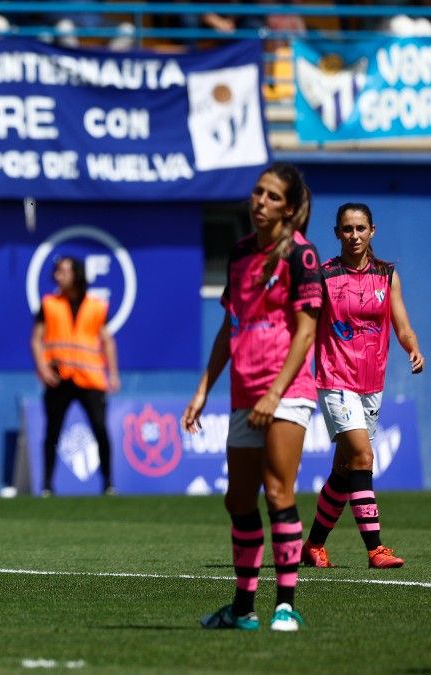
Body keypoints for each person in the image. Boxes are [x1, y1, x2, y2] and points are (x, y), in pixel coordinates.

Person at [182, 162, 319, 633]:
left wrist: (276, 392)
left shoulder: (301, 256)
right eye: (257, 193)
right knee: (238, 499)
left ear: (290, 207)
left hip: (288, 390)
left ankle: (285, 604)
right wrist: (203, 389)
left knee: (278, 491)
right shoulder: (240, 253)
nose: (260, 201)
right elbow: (229, 325)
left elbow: (306, 331)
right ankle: (242, 609)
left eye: (272, 196)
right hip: (245, 391)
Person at [303, 203, 422, 569]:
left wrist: (412, 347)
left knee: (344, 471)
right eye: (347, 229)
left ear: (373, 230)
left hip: (372, 383)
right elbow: (305, 329)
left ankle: (313, 546)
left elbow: (400, 323)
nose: (354, 236)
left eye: (360, 228)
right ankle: (376, 549)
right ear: (336, 233)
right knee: (364, 457)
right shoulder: (322, 276)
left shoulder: (387, 275)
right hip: (336, 379)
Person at [31, 256, 119, 496]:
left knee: (101, 430)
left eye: (64, 271)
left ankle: (108, 483)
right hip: (59, 378)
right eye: (57, 271)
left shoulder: (96, 305)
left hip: (90, 379)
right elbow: (36, 340)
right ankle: (47, 485)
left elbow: (107, 341)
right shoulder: (49, 303)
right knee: (52, 432)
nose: (58, 275)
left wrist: (113, 374)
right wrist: (44, 368)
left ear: (77, 275)